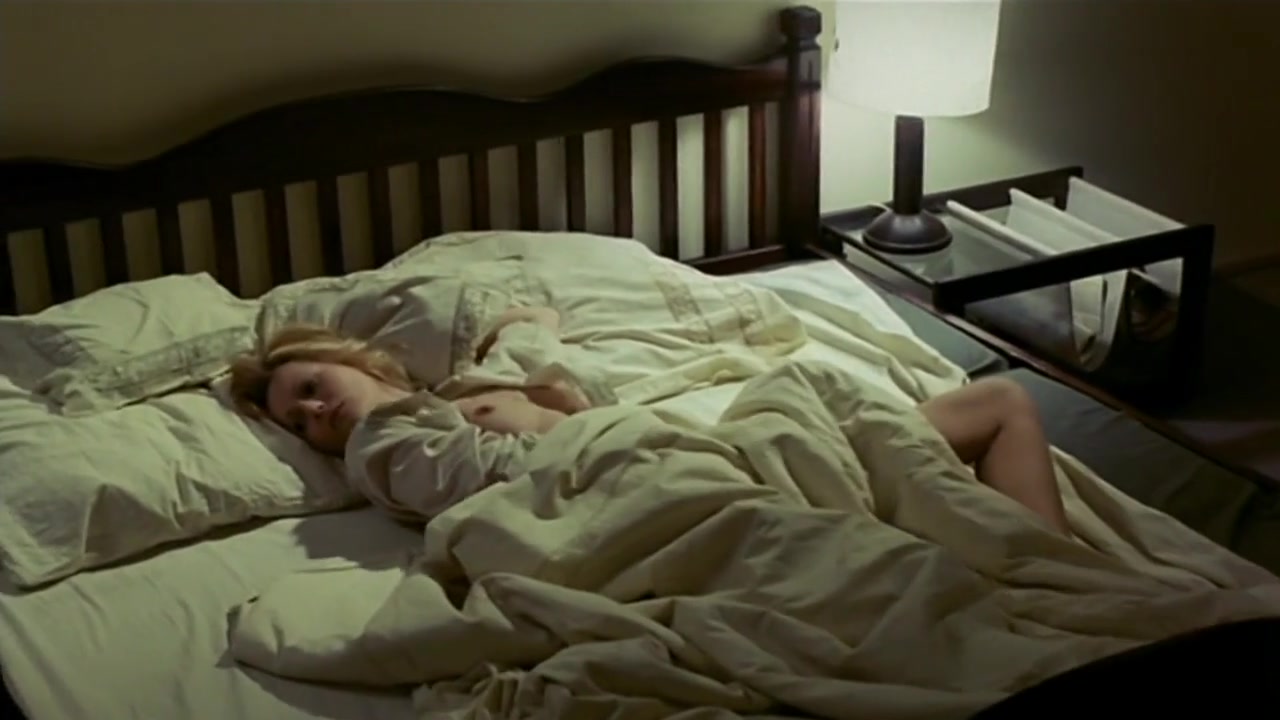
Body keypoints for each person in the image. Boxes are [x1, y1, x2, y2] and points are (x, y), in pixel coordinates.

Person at [228, 306, 1070, 535]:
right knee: (809, 400)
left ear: (350, 358)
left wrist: (529, 340)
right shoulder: (385, 446)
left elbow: (552, 370)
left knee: (998, 401)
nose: (315, 412)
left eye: (311, 386)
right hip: (643, 489)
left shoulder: (453, 395)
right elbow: (481, 485)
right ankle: (1039, 563)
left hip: (681, 454)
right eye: (300, 423)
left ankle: (1044, 557)